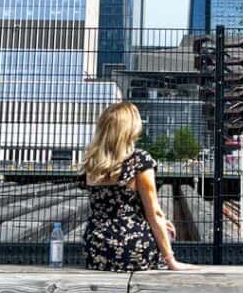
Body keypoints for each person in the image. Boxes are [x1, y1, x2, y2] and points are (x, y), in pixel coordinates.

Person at [78, 101, 195, 271]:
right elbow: (153, 213)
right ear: (130, 129)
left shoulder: (92, 163)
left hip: (96, 250)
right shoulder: (139, 161)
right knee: (154, 245)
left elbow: (113, 207)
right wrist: (171, 260)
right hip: (131, 249)